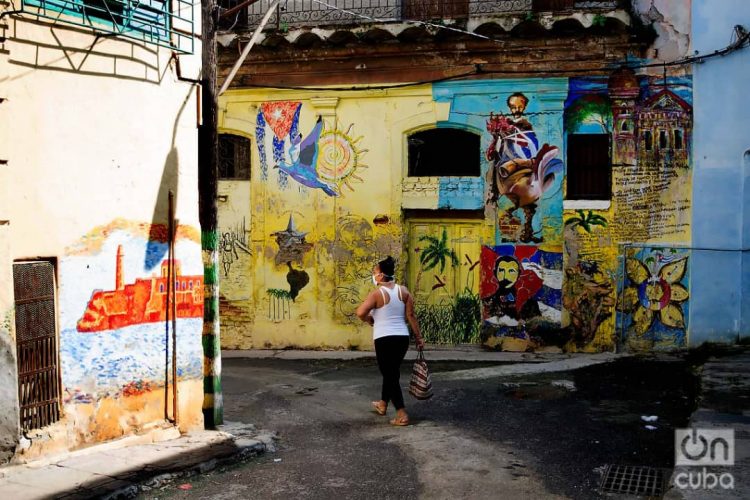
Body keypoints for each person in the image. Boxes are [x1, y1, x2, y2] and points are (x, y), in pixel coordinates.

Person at [356, 256, 424, 426]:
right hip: (402, 338)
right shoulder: (404, 291)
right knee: (392, 372)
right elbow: (410, 316)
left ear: (381, 275)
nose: (374, 275)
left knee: (390, 374)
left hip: (384, 339)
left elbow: (360, 312)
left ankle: (401, 413)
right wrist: (419, 338)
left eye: (375, 272)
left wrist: (369, 320)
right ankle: (383, 404)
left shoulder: (377, 294)